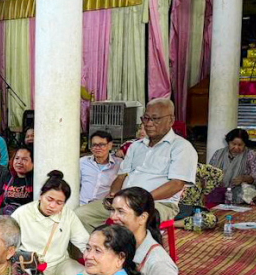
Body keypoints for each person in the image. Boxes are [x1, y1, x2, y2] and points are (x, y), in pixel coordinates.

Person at [77, 98, 198, 231]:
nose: (149, 123)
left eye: (155, 119)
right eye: (145, 118)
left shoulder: (181, 147)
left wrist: (141, 199)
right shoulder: (135, 146)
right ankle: (97, 245)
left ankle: (123, 244)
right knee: (80, 215)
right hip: (124, 201)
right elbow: (121, 177)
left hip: (159, 204)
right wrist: (113, 195)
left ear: (171, 120)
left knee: (130, 219)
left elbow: (176, 184)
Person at [11, 170, 90, 275]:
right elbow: (8, 244)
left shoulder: (68, 215)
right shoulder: (22, 213)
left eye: (59, 203)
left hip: (60, 263)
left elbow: (83, 241)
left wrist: (96, 259)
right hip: (32, 266)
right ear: (41, 195)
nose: (52, 206)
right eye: (49, 199)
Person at [207, 128, 256, 205]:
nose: (236, 147)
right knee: (208, 193)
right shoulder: (219, 153)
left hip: (240, 187)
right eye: (233, 144)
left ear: (245, 144)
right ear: (228, 142)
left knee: (243, 193)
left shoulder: (251, 155)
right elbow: (208, 171)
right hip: (220, 187)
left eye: (240, 145)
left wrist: (244, 178)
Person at [78, 130, 122, 205]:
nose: (97, 148)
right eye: (94, 145)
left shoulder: (119, 164)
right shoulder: (83, 162)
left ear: (110, 145)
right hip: (82, 204)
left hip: (103, 206)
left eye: (101, 145)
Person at [0, 145, 34, 215]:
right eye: (17, 158)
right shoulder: (6, 177)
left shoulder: (35, 180)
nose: (19, 162)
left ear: (33, 163)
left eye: (24, 159)